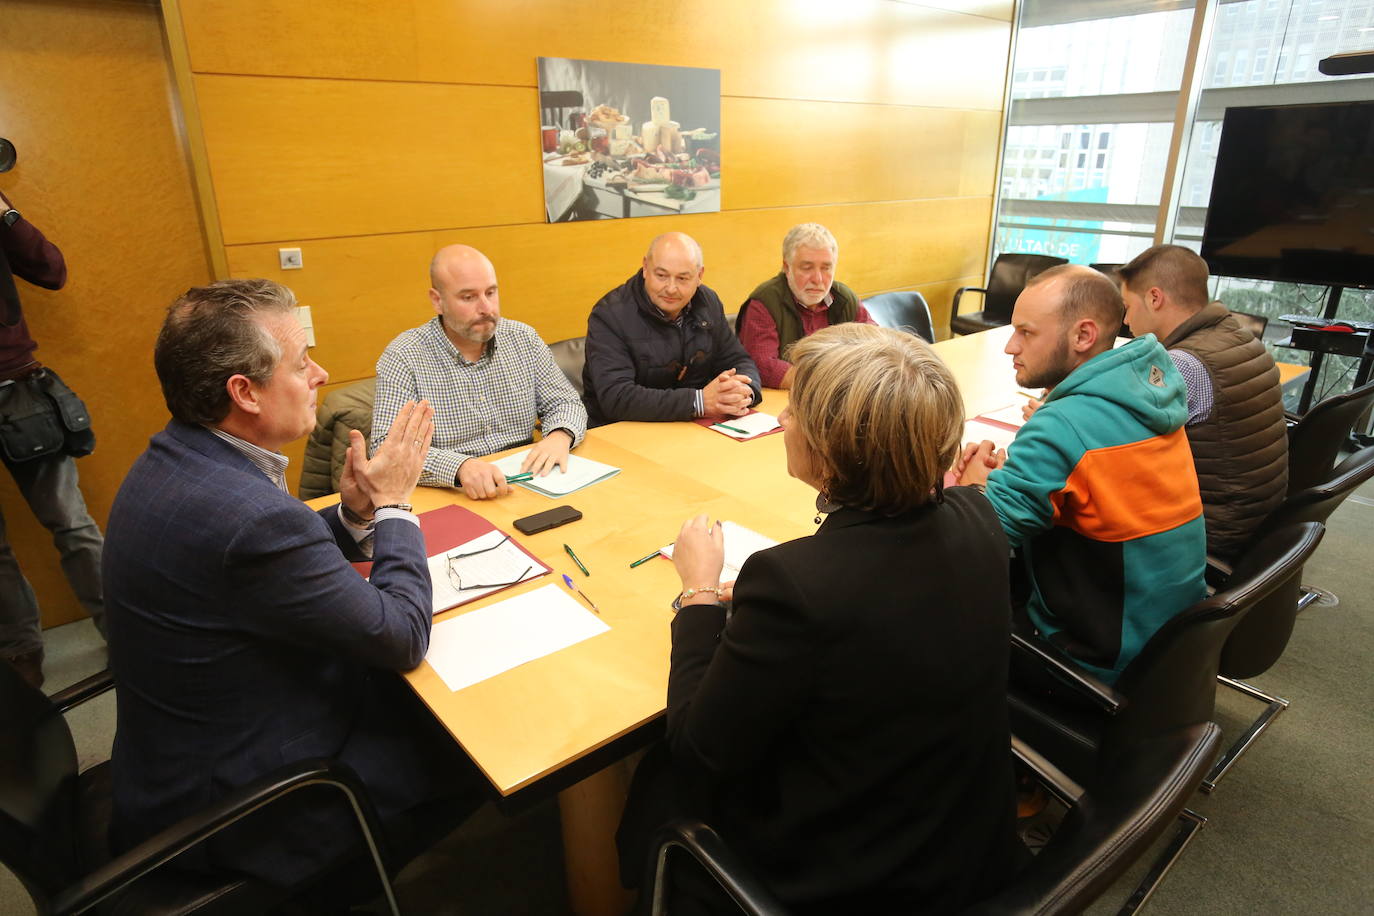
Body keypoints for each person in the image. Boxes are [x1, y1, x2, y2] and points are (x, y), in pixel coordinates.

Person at [620, 323, 1025, 914]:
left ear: (835, 451)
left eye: (798, 413)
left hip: (862, 877)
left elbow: (700, 750)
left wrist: (699, 592)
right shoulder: (978, 515)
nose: (783, 419)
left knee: (656, 777)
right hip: (969, 840)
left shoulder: (792, 584)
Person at [104, 279, 483, 894]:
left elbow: (264, 566)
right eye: (302, 362)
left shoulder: (176, 458)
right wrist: (394, 504)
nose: (321, 374)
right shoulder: (246, 515)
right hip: (245, 807)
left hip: (174, 760)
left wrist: (353, 514)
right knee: (475, 733)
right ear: (244, 392)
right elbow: (401, 637)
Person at [958, 264, 1206, 684]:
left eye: (1026, 332)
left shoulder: (1063, 425)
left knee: (933, 603)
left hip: (1097, 659)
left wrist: (972, 489)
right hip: (1171, 644)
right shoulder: (1147, 396)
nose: (1010, 347)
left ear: (1083, 336)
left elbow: (975, 542)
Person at [373, 244, 587, 500]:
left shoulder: (523, 339)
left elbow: (565, 402)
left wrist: (560, 435)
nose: (486, 308)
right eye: (468, 297)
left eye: (491, 292)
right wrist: (459, 467)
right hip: (453, 493)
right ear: (438, 301)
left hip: (525, 482)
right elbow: (386, 449)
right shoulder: (404, 356)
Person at [1118, 244, 1287, 561]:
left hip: (1212, 533)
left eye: (1127, 306)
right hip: (1256, 523)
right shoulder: (1238, 336)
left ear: (1155, 298)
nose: (1126, 320)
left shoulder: (1183, 364)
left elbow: (1115, 449)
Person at [0, 189, 104, 689]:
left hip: (19, 390)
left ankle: (124, 630)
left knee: (71, 522)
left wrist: (5, 213)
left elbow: (51, 270)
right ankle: (20, 649)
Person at [583, 232, 761, 425]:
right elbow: (617, 397)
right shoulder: (610, 315)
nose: (671, 288)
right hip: (620, 430)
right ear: (645, 268)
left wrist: (742, 393)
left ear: (699, 276)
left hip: (691, 427)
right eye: (661, 276)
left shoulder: (708, 302)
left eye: (682, 278)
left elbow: (737, 360)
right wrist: (698, 402)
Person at [736, 222, 876, 388]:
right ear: (787, 267)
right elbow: (762, 366)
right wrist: (831, 380)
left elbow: (878, 347)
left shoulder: (845, 299)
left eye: (826, 268)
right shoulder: (764, 303)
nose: (817, 279)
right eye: (807, 268)